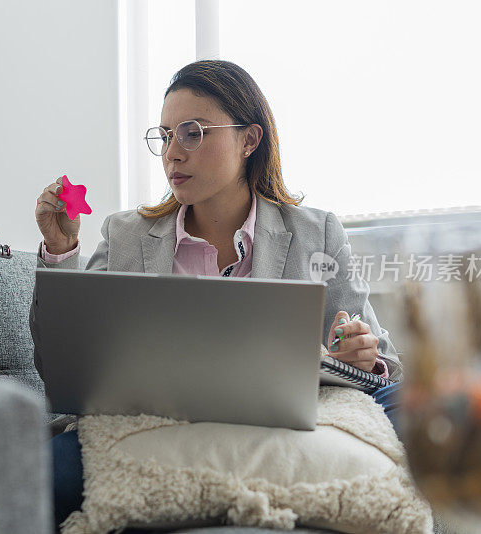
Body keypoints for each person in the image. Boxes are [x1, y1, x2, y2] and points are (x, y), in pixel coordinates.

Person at [30, 59, 403, 529]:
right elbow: (60, 369)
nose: (172, 154)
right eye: (164, 136)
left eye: (192, 133)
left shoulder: (317, 232)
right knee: (44, 472)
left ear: (249, 140)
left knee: (409, 408)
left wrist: (361, 356)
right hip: (157, 428)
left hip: (282, 428)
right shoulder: (124, 235)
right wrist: (62, 252)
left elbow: (384, 363)